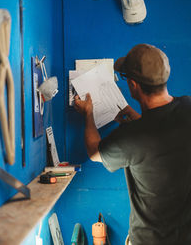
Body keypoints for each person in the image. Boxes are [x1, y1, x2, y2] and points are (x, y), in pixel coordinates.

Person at [74, 44, 191, 245]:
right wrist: (138, 119)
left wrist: (88, 114)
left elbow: (94, 151)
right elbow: (163, 129)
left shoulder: (131, 135)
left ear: (133, 85)